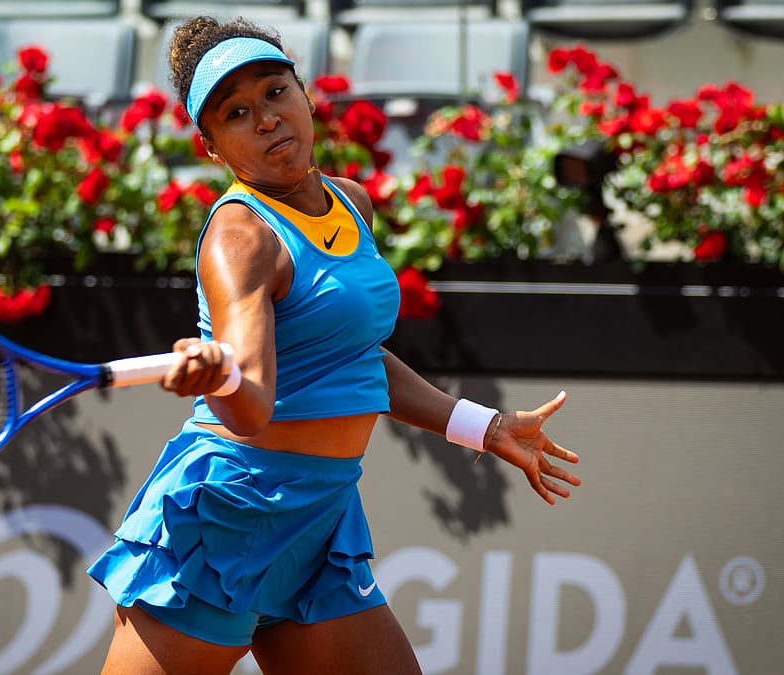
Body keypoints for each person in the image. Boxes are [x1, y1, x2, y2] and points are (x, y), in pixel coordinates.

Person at [86, 16, 582, 675]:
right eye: (236, 112)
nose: (266, 118)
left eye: (274, 91)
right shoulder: (241, 237)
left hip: (322, 518)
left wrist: (482, 427)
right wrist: (220, 378)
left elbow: (356, 356)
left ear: (305, 94)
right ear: (211, 146)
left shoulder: (350, 203)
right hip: (231, 516)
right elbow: (253, 405)